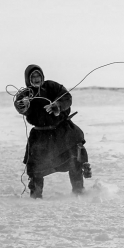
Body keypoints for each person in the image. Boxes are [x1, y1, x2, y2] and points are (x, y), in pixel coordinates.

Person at [13, 64, 90, 198]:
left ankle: (79, 192)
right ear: (28, 79)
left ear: (42, 76)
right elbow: (20, 106)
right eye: (33, 77)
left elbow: (67, 98)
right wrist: (23, 106)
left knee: (74, 158)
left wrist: (57, 106)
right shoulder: (25, 95)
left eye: (38, 75)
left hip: (62, 132)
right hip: (40, 136)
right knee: (36, 167)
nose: (36, 79)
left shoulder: (52, 86)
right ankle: (36, 197)